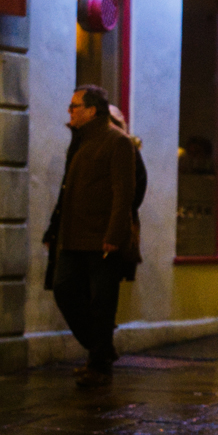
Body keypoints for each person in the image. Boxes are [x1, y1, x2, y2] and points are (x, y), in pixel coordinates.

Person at [42, 85, 136, 388]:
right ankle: (102, 350)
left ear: (92, 110)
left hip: (101, 238)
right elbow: (67, 191)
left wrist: (114, 234)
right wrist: (53, 231)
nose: (69, 112)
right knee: (64, 289)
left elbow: (125, 192)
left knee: (102, 302)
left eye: (74, 106)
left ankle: (99, 364)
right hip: (72, 236)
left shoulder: (117, 141)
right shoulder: (80, 140)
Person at [109, 105, 148, 282]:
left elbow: (136, 188)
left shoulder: (126, 148)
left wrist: (123, 211)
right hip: (110, 225)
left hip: (118, 225)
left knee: (108, 282)